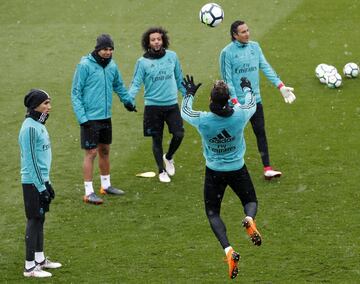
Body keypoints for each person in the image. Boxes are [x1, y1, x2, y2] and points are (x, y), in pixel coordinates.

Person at [181, 75, 262, 279]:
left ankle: (228, 250)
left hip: (214, 172)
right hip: (237, 169)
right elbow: (251, 103)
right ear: (228, 99)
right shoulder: (240, 115)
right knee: (250, 201)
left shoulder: (203, 120)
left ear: (211, 99)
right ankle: (249, 219)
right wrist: (246, 88)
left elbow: (185, 111)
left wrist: (189, 93)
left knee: (213, 213)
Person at [219, 20, 296, 180]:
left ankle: (267, 168)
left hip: (254, 101)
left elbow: (265, 66)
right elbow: (227, 80)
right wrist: (234, 102)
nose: (247, 34)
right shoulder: (227, 52)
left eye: (248, 30)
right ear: (234, 35)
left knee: (260, 132)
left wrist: (280, 86)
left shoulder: (255, 47)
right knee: (232, 135)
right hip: (236, 104)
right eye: (243, 32)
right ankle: (225, 167)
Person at [71, 34, 136, 205]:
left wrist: (127, 101)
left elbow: (118, 85)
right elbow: (75, 93)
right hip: (90, 118)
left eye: (110, 49)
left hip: (105, 117)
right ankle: (88, 192)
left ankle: (105, 186)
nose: (108, 52)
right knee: (91, 153)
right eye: (105, 49)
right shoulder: (85, 65)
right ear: (97, 49)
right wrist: (82, 118)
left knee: (105, 150)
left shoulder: (112, 66)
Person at [128, 27, 186, 183]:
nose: (156, 42)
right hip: (153, 107)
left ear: (163, 40)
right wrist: (129, 99)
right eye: (153, 40)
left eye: (158, 39)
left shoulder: (172, 57)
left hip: (171, 105)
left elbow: (179, 78)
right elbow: (135, 83)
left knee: (179, 134)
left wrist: (188, 91)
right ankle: (161, 171)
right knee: (157, 139)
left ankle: (168, 157)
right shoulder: (142, 62)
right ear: (148, 42)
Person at [19, 89, 62, 278]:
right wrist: (41, 186)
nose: (49, 107)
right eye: (45, 103)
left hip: (42, 181)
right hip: (32, 182)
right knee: (34, 220)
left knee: (40, 219)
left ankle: (40, 259)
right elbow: (30, 161)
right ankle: (29, 267)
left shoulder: (39, 124)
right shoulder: (29, 128)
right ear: (34, 105)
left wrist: (47, 183)